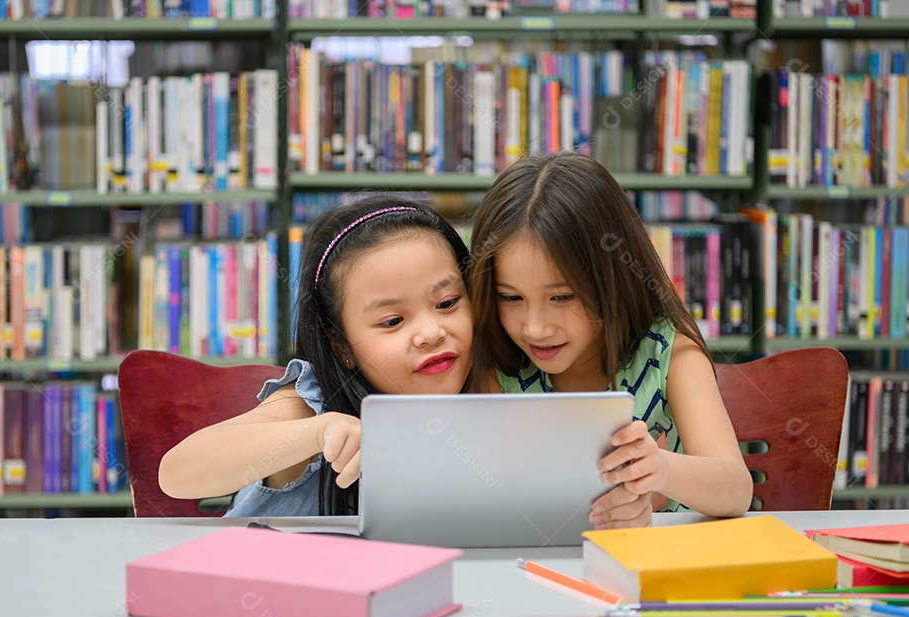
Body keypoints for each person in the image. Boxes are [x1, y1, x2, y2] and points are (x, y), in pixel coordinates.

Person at [467, 152, 753, 526]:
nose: (535, 328)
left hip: (663, 568)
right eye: (511, 297)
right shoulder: (496, 362)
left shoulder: (669, 352)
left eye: (562, 297)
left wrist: (659, 470)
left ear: (614, 280)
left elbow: (736, 489)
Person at [158, 197, 474, 516]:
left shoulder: (487, 395)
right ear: (342, 348)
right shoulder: (314, 403)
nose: (431, 333)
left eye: (447, 303)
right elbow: (176, 473)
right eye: (392, 321)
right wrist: (320, 432)